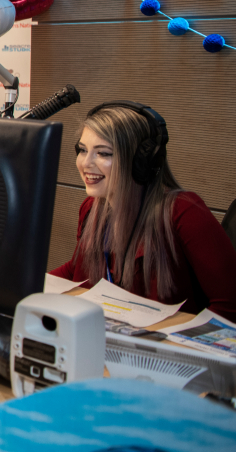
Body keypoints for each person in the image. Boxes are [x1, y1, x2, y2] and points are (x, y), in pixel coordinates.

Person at [50, 101, 236, 320]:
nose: (85, 163)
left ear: (141, 162)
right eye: (82, 150)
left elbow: (230, 305)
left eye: (103, 153)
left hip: (169, 347)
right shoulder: (92, 209)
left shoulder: (184, 212)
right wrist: (22, 285)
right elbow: (75, 270)